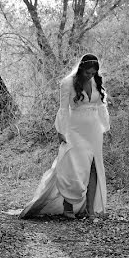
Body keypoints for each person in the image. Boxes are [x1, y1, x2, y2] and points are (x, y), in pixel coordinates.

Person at [19, 54, 110, 220]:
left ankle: (90, 210)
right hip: (75, 130)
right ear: (81, 68)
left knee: (94, 168)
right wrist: (61, 131)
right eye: (88, 73)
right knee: (74, 167)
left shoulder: (96, 81)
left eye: (93, 73)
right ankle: (67, 206)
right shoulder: (67, 83)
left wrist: (105, 126)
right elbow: (63, 109)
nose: (90, 76)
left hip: (94, 131)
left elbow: (101, 105)